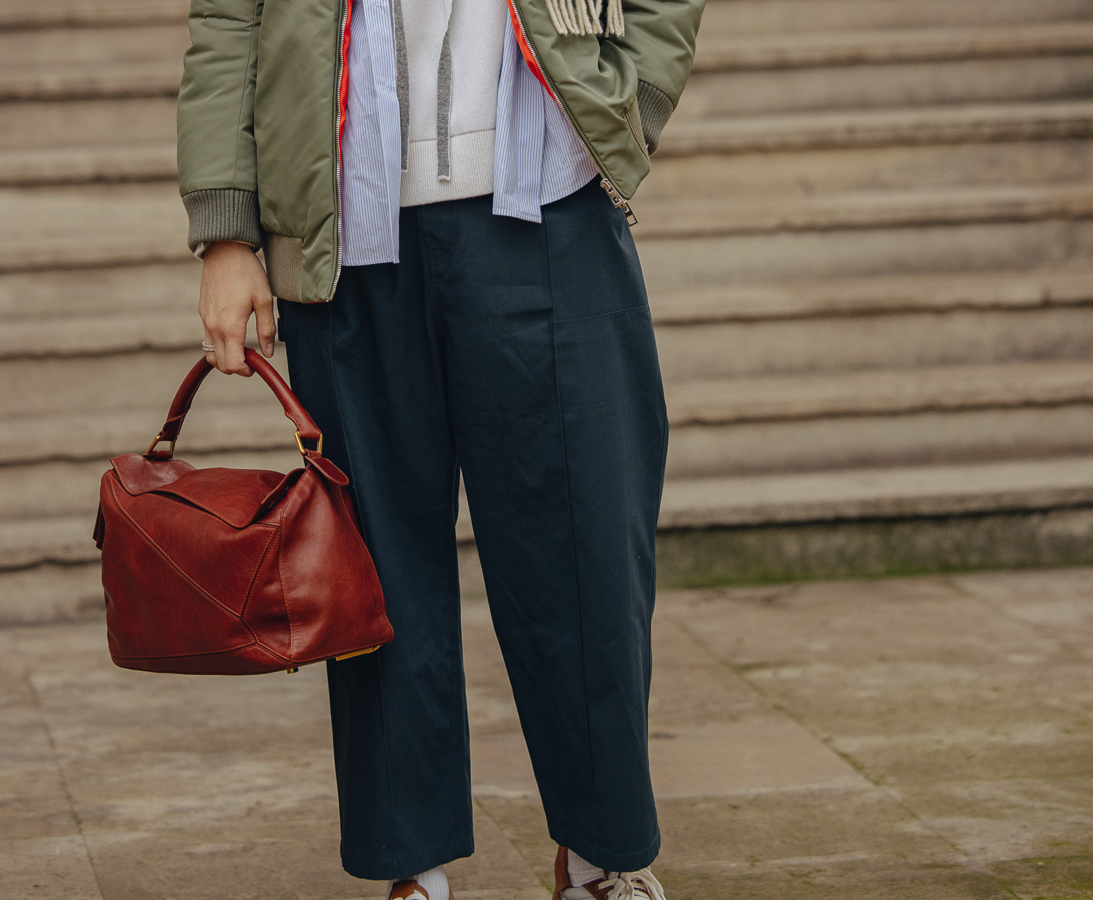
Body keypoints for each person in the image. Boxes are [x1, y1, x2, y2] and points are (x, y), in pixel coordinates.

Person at [177, 0, 705, 894]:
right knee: (375, 567)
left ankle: (605, 858)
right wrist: (228, 232)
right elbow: (231, 19)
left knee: (582, 553)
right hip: (347, 231)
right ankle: (412, 871)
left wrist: (628, 106)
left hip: (547, 202)